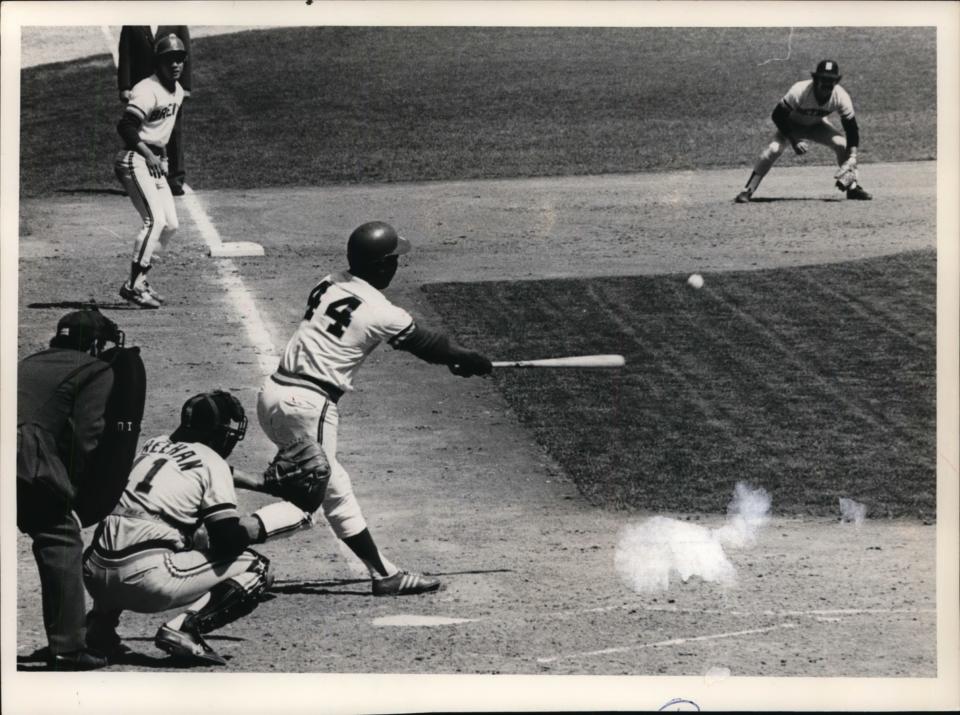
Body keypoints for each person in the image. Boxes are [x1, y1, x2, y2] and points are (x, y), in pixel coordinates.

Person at [257, 221, 493, 597]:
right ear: (382, 265)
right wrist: (469, 359)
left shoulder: (330, 280)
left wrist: (454, 358)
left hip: (273, 395)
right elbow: (427, 344)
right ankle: (215, 543)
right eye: (394, 259)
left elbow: (426, 346)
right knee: (308, 504)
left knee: (335, 489)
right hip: (307, 405)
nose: (398, 265)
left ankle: (383, 572)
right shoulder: (381, 311)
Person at [82, 390, 314, 666]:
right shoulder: (211, 461)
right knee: (257, 568)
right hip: (147, 583)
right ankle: (185, 628)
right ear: (218, 433)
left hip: (93, 575)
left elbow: (204, 467)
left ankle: (100, 629)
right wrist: (277, 522)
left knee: (141, 530)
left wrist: (261, 484)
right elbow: (228, 539)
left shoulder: (154, 445)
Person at [17, 310, 125, 670]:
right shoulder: (95, 369)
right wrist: (72, 488)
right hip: (19, 453)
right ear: (95, 343)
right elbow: (85, 434)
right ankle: (68, 648)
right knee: (59, 535)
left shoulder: (30, 361)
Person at [114, 33, 187, 309]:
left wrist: (163, 156)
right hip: (134, 159)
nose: (176, 64)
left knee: (170, 224)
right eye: (170, 59)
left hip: (153, 161)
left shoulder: (177, 91)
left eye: (180, 59)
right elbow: (126, 127)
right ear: (159, 62)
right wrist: (149, 155)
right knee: (154, 220)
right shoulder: (147, 89)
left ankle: (140, 280)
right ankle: (133, 286)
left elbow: (162, 131)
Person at [735, 60, 872, 203]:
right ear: (816, 79)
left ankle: (852, 188)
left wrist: (853, 157)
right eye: (823, 79)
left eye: (831, 80)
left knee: (843, 145)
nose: (826, 83)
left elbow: (851, 128)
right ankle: (748, 190)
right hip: (791, 126)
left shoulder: (841, 96)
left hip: (817, 126)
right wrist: (794, 140)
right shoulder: (800, 90)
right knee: (773, 149)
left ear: (836, 81)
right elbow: (778, 115)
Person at [118, 26, 191, 195]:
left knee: (172, 129)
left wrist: (186, 85)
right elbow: (126, 53)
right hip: (143, 81)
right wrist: (124, 85)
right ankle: (137, 177)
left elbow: (185, 52)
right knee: (139, 129)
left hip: (171, 82)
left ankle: (174, 178)